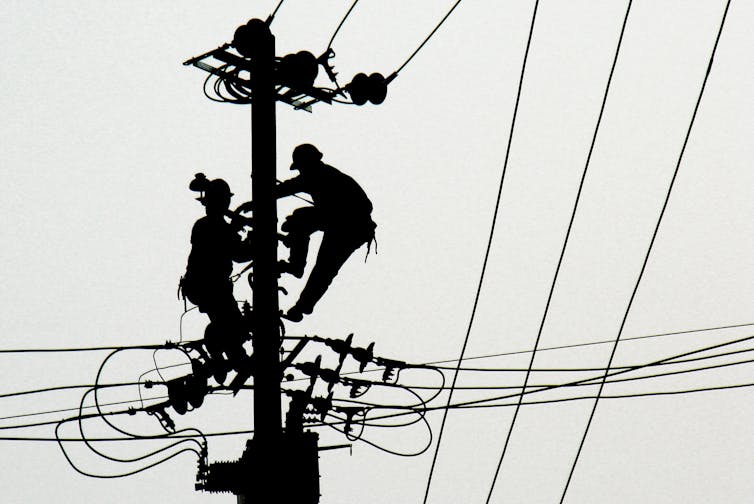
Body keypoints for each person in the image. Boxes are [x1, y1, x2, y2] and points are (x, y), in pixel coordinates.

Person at [277, 144, 376, 322]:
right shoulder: (320, 174)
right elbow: (287, 187)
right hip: (345, 224)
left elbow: (285, 188)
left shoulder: (318, 175)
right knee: (323, 267)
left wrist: (254, 202)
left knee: (324, 267)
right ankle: (298, 277)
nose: (300, 171)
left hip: (349, 226)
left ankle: (298, 276)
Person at [180, 176, 254, 365]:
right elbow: (236, 253)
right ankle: (228, 354)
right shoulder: (209, 226)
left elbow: (235, 250)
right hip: (208, 286)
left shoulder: (214, 226)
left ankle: (227, 354)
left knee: (232, 325)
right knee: (232, 325)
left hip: (206, 287)